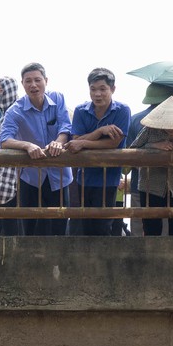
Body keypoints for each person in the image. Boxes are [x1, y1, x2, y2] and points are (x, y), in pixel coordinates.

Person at [0, 62, 73, 237]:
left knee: (59, 225)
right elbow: (5, 140)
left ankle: (57, 264)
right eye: (28, 81)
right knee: (29, 229)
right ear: (22, 84)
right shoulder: (15, 110)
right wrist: (27, 145)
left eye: (38, 80)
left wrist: (58, 142)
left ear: (46, 80)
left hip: (58, 176)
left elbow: (66, 126)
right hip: (30, 177)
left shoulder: (58, 98)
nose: (33, 85)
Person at [64, 68, 131, 235]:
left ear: (112, 89)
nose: (97, 94)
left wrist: (85, 143)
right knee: (84, 226)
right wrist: (100, 132)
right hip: (83, 178)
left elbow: (115, 143)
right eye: (93, 89)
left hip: (109, 179)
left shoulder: (122, 110)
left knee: (104, 227)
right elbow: (75, 141)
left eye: (102, 89)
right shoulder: (81, 110)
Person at [128, 95, 173, 235]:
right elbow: (132, 152)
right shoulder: (148, 132)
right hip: (151, 187)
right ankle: (152, 256)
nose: (172, 127)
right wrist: (154, 146)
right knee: (151, 228)